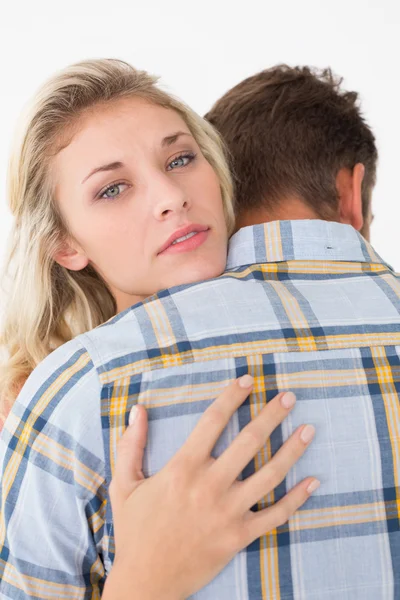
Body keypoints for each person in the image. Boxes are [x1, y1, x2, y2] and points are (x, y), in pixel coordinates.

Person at [1, 59, 399, 598]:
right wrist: (145, 580)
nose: (171, 197)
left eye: (181, 158)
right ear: (64, 246)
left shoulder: (76, 386)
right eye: (113, 189)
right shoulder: (63, 391)